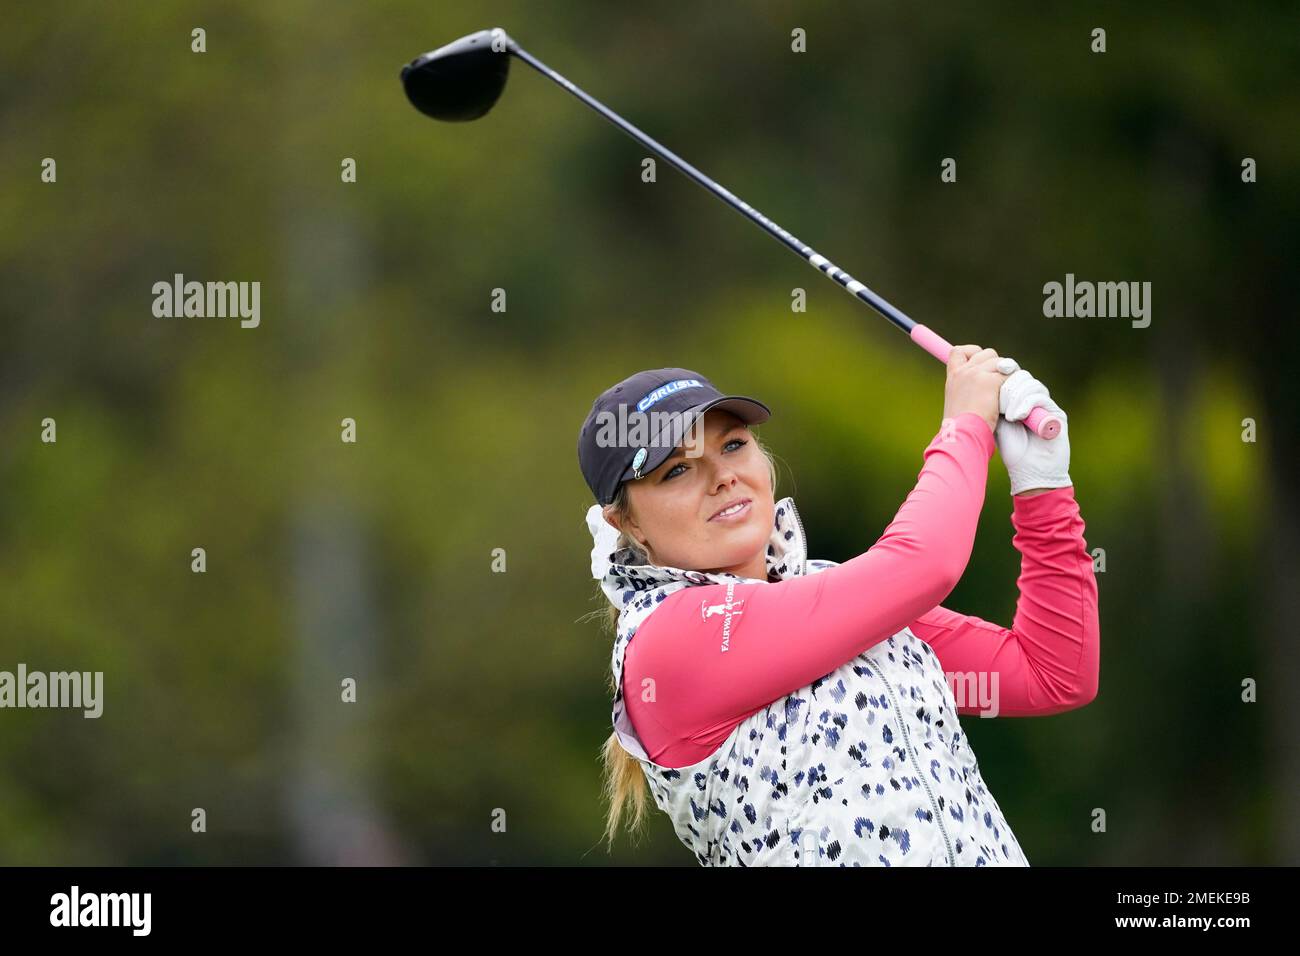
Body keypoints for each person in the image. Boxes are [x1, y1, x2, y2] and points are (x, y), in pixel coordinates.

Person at [576, 348, 1099, 866]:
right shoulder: (669, 640)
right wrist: (965, 426)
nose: (721, 476)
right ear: (627, 526)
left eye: (733, 445)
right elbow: (926, 564)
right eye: (675, 471)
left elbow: (1052, 672)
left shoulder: (830, 594)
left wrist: (1042, 487)